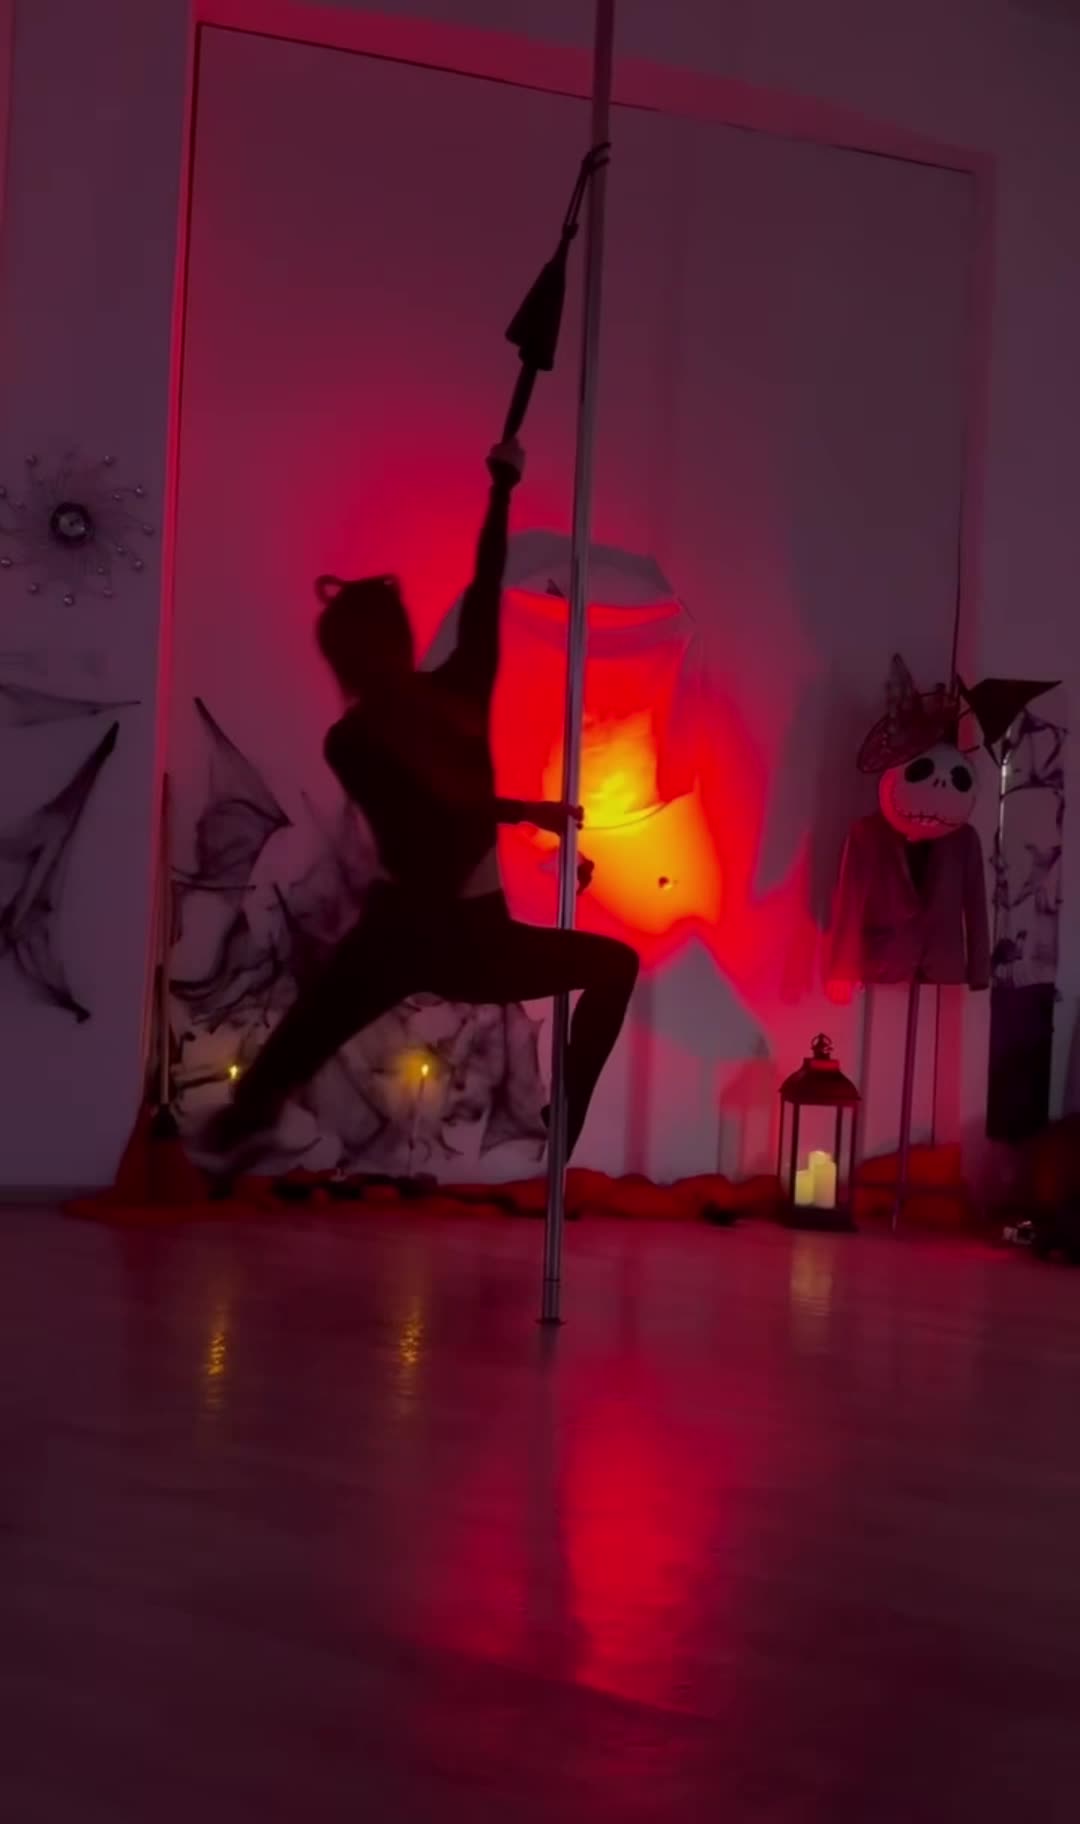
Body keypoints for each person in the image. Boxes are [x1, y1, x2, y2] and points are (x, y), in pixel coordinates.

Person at [203, 439, 638, 1169]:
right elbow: (440, 832)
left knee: (315, 1025)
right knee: (311, 1029)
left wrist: (501, 489)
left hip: (429, 933)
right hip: (438, 932)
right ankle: (249, 1117)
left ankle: (249, 1116)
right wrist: (516, 812)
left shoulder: (371, 731)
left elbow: (485, 587)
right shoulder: (394, 724)